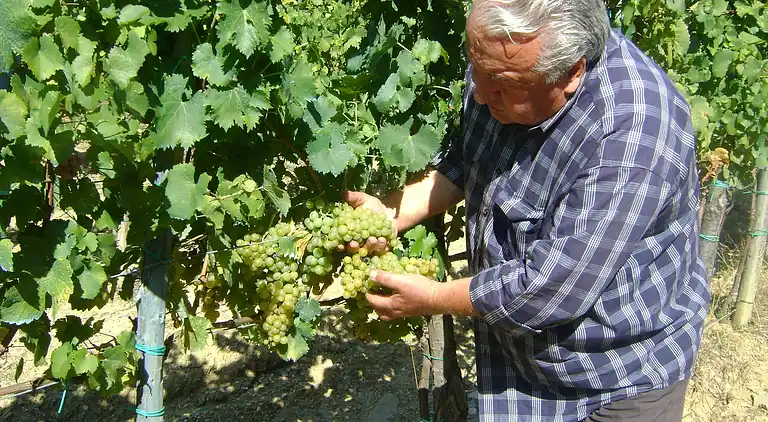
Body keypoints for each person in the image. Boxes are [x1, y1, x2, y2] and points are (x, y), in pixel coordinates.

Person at [343, 0, 711, 421]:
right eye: (474, 66)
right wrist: (392, 212)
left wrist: (430, 297)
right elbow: (471, 158)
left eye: (500, 82)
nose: (480, 92)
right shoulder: (500, 61)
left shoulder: (634, 134)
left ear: (572, 73)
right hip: (521, 366)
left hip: (616, 379)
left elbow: (553, 286)